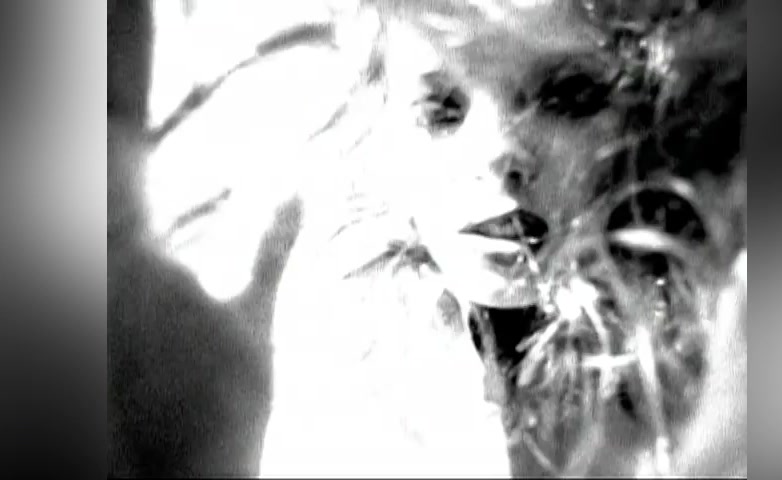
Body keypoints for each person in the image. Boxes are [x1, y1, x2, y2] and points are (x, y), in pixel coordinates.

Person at [259, 0, 746, 477]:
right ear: (380, 136)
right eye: (442, 111)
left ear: (650, 118)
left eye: (568, 98)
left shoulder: (725, 370)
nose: (500, 152)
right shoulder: (331, 392)